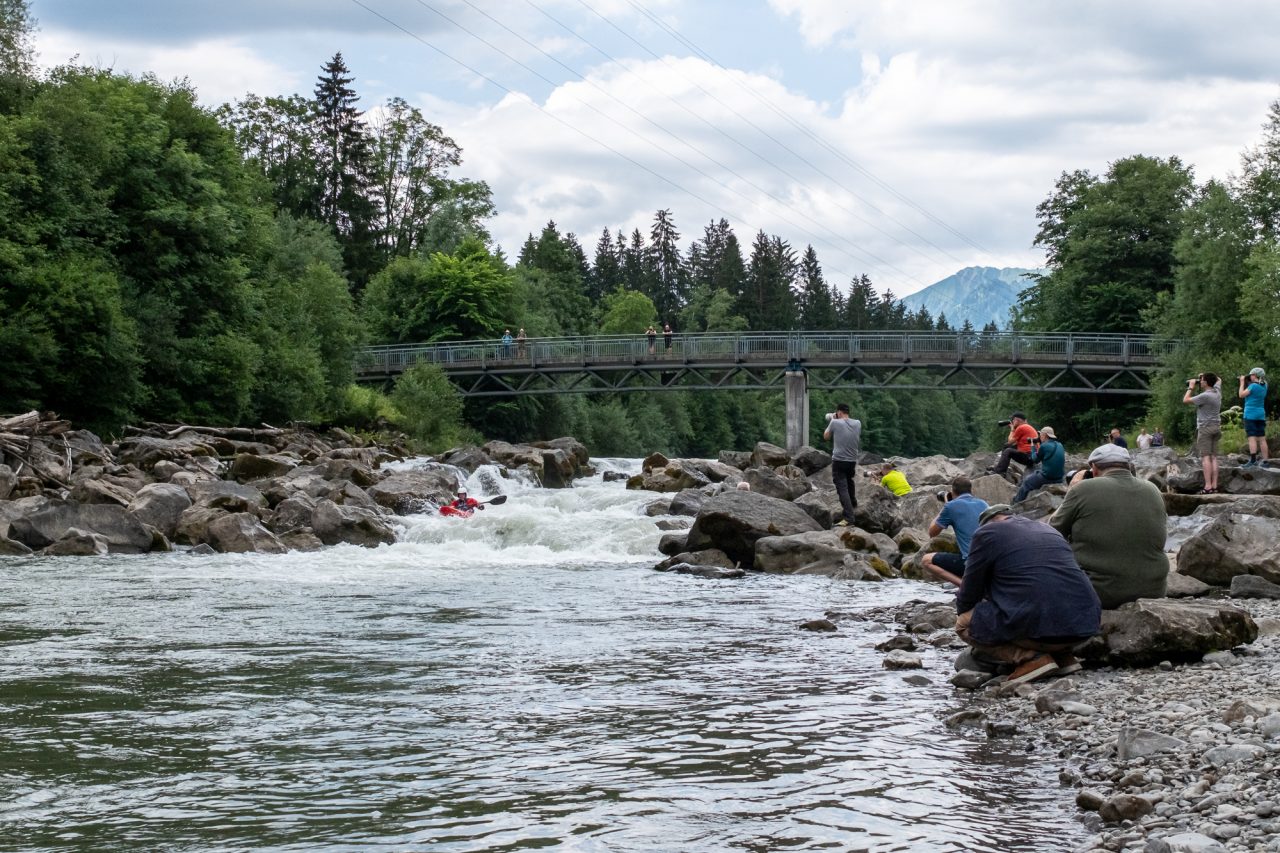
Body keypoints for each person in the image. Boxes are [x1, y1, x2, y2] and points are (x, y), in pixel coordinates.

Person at [955, 505, 1101, 685]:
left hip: (1040, 629)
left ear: (986, 524)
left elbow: (969, 593)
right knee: (1043, 596)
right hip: (1085, 625)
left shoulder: (987, 533)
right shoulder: (1048, 529)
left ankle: (1030, 659)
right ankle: (1064, 658)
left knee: (963, 624)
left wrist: (976, 619)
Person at [1050, 444, 1168, 609]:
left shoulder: (1082, 489)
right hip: (1153, 591)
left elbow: (1050, 533)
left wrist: (1071, 490)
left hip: (1100, 593)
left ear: (1094, 468)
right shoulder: (1153, 490)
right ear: (1128, 466)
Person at [920, 477, 989, 586]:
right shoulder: (984, 504)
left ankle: (965, 586)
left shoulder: (950, 506)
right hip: (991, 561)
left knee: (926, 560)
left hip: (971, 563)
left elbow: (932, 532)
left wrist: (945, 506)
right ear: (971, 491)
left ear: (952, 492)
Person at [822, 403, 861, 527]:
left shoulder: (835, 422)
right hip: (852, 461)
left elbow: (826, 436)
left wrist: (832, 420)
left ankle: (849, 517)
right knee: (849, 480)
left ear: (838, 412)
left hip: (839, 460)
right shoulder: (858, 423)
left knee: (842, 488)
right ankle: (853, 502)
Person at [1183, 372, 1222, 494]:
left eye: (1202, 379)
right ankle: (1215, 486)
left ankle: (1208, 486)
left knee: (1206, 458)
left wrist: (1191, 386)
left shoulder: (1205, 396)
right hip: (1216, 427)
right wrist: (1204, 375)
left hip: (1205, 429)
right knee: (1214, 457)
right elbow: (1219, 379)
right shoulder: (1217, 391)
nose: (1201, 380)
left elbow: (1185, 400)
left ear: (1206, 382)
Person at [1013, 426, 1065, 503]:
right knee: (1037, 471)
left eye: (1040, 435)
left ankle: (1015, 503)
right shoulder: (1060, 445)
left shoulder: (1044, 446)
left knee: (1027, 482)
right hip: (1059, 478)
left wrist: (1033, 447)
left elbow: (1035, 460)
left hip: (1048, 477)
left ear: (1045, 435)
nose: (1039, 437)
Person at [987, 412, 1038, 481]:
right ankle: (998, 467)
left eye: (1013, 420)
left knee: (1008, 450)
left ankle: (1000, 472)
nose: (1012, 422)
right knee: (1007, 447)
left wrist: (1012, 429)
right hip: (1032, 456)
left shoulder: (1021, 427)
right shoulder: (1027, 427)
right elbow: (1015, 443)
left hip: (1029, 457)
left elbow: (1010, 441)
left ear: (1017, 420)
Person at [1239, 367, 1269, 468]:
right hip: (1261, 415)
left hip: (1250, 415)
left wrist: (1242, 382)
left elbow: (1241, 395)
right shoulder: (1265, 385)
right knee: (1262, 439)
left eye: (1251, 375)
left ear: (1255, 375)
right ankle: (1265, 461)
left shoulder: (1253, 386)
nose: (1250, 376)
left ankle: (1253, 461)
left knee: (1252, 438)